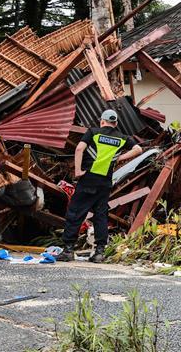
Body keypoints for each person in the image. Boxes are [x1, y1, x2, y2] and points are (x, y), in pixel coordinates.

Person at [57, 109, 143, 262]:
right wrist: (120, 157)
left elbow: (79, 148)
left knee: (76, 213)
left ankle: (68, 250)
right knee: (101, 216)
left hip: (88, 178)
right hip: (105, 183)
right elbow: (138, 149)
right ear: (115, 123)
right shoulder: (122, 138)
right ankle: (99, 253)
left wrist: (78, 170)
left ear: (102, 121)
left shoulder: (94, 132)